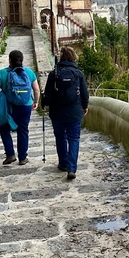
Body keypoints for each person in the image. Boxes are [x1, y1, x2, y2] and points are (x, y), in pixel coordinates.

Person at [42, 46, 89, 180]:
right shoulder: (78, 74)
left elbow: (48, 94)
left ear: (61, 58)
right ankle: (72, 168)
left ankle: (63, 163)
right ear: (74, 57)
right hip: (74, 112)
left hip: (57, 113)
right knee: (73, 139)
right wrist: (85, 107)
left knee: (60, 137)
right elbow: (85, 95)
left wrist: (43, 104)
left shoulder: (54, 74)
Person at [0, 50, 40, 165]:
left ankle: (10, 154)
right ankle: (22, 158)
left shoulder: (2, 73)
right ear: (22, 60)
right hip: (25, 106)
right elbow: (36, 90)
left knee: (4, 129)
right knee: (23, 130)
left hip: (8, 107)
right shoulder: (29, 72)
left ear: (9, 60)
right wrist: (36, 102)